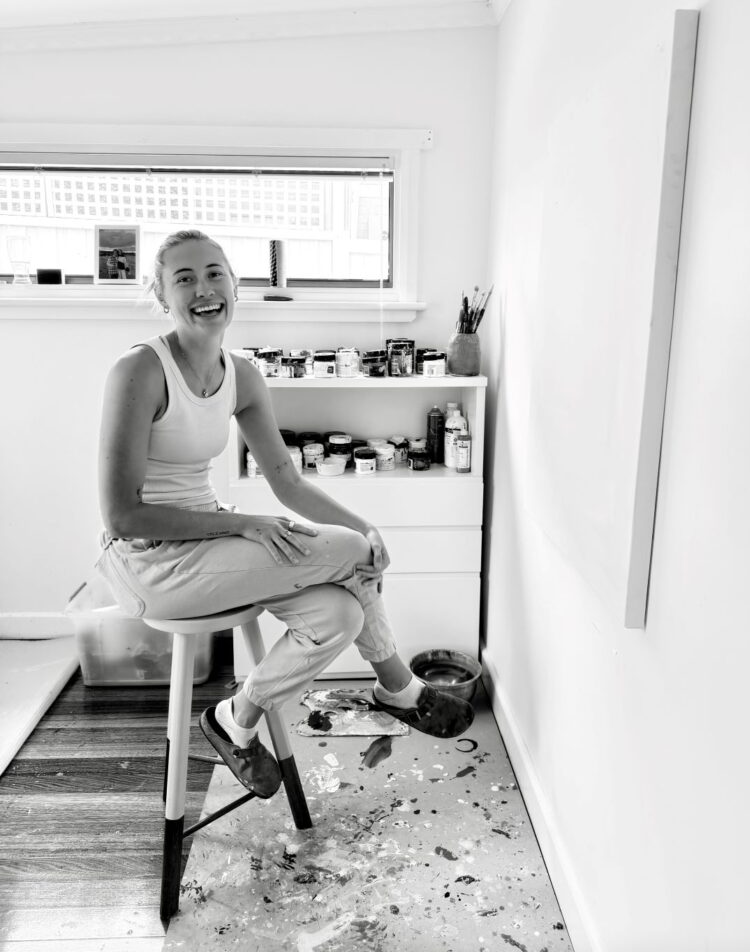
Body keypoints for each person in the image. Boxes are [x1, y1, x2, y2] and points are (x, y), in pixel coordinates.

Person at [96, 229, 473, 798]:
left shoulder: (241, 375)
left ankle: (236, 717)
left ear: (235, 285)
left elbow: (287, 481)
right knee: (349, 552)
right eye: (185, 278)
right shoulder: (140, 370)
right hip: (150, 564)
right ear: (160, 293)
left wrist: (364, 525)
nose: (204, 289)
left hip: (211, 541)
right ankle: (396, 686)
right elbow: (123, 516)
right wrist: (245, 524)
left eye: (215, 273)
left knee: (341, 616)